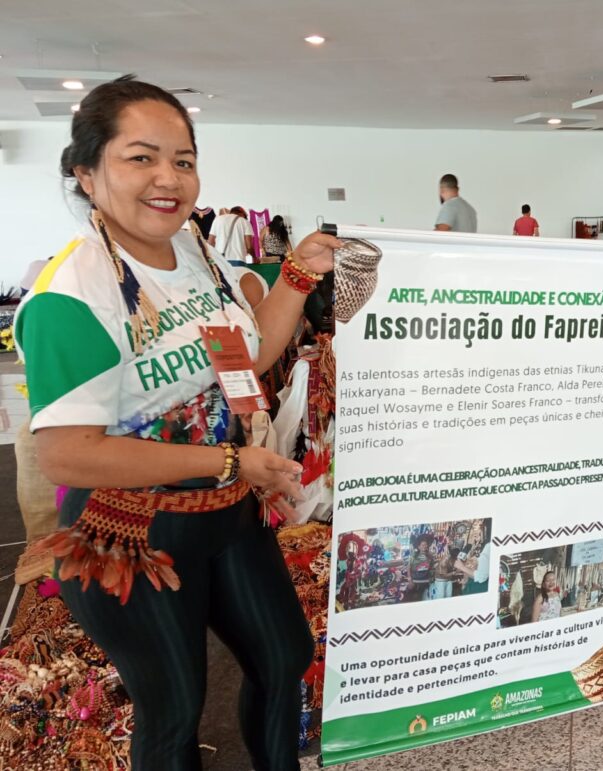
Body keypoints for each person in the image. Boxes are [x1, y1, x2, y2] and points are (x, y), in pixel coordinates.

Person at [13, 75, 363, 771]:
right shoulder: (70, 295)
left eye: (183, 159)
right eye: (139, 157)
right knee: (173, 708)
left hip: (226, 511)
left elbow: (249, 355)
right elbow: (70, 456)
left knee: (283, 655)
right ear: (86, 173)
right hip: (129, 531)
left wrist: (296, 275)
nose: (167, 179)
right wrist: (229, 462)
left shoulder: (199, 258)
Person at [406, 534, 435, 602]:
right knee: (415, 600)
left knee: (425, 599)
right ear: (418, 546)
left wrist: (432, 579)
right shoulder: (414, 556)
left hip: (426, 582)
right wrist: (410, 580)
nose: (425, 546)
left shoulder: (430, 556)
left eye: (426, 545)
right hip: (415, 582)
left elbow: (431, 568)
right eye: (423, 545)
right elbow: (408, 568)